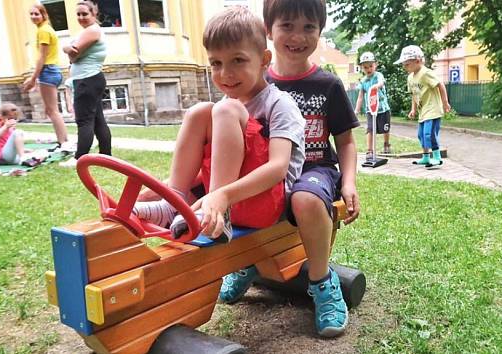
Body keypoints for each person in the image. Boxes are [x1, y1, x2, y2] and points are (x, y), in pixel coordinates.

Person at [218, 0, 361, 338]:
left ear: (320, 32)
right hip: (266, 170)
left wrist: (350, 181)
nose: (298, 36)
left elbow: (346, 142)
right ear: (269, 31)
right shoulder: (254, 80)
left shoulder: (328, 85)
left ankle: (322, 282)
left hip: (314, 169)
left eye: (308, 27)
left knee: (305, 198)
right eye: (287, 26)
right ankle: (248, 262)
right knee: (236, 192)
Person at [133, 6, 305, 243]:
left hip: (268, 201)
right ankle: (174, 201)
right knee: (199, 111)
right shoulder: (224, 108)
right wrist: (164, 187)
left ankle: (215, 212)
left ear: (264, 60)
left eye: (238, 60)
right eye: (216, 63)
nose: (225, 73)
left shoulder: (279, 104)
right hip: (229, 197)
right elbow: (214, 163)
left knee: (222, 109)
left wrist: (220, 196)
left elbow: (278, 169)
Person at [60, 0, 111, 168]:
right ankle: (106, 155)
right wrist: (70, 50)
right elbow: (75, 54)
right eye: (78, 14)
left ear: (94, 14)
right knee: (97, 120)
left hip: (87, 81)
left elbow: (74, 54)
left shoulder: (92, 30)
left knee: (85, 121)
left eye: (85, 14)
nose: (81, 17)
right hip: (91, 79)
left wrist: (66, 48)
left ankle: (79, 159)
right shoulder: (92, 30)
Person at [22, 4, 71, 153]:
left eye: (36, 14)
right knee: (51, 110)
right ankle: (62, 141)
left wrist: (32, 78)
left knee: (52, 111)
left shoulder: (43, 31)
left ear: (44, 14)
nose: (33, 17)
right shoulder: (45, 29)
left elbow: (42, 57)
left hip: (48, 71)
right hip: (52, 71)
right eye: (31, 14)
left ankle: (64, 143)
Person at [395, 45, 451, 167]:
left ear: (418, 61)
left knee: (429, 134)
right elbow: (414, 94)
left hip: (433, 109)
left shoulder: (426, 73)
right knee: (420, 135)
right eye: (403, 65)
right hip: (423, 111)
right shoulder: (410, 77)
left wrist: (445, 103)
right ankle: (425, 157)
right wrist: (413, 109)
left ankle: (437, 157)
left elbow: (440, 85)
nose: (405, 67)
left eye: (407, 64)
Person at [353, 51, 392, 158]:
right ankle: (369, 150)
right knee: (370, 129)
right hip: (370, 110)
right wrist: (356, 110)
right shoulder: (363, 81)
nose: (368, 69)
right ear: (362, 68)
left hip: (383, 108)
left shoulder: (378, 75)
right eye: (365, 67)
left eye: (371, 66)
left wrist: (376, 86)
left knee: (385, 128)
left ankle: (386, 144)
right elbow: (360, 97)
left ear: (375, 65)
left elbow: (381, 82)